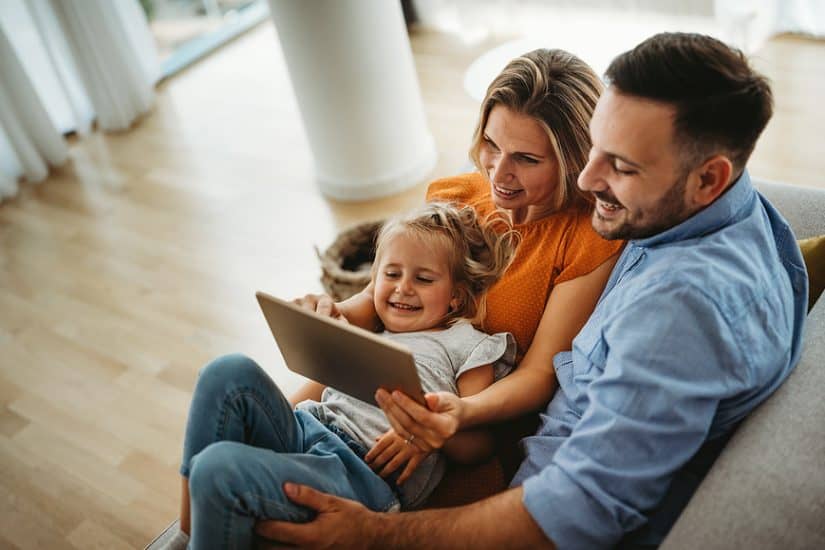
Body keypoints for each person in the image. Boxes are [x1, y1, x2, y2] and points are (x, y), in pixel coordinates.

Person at [255, 32, 808, 549]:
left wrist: (377, 534)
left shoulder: (681, 313)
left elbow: (577, 506)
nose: (588, 183)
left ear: (708, 178)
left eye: (620, 165)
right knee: (242, 423)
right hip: (414, 401)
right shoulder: (704, 206)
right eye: (595, 149)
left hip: (499, 468)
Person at [289, 48, 624, 485]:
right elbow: (380, 297)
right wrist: (332, 315)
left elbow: (539, 374)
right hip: (391, 374)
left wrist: (454, 416)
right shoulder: (457, 195)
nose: (498, 173)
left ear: (573, 160)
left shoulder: (586, 238)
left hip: (473, 417)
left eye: (526, 159)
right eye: (491, 144)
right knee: (251, 428)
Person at [163, 202, 520, 549]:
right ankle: (189, 531)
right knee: (225, 371)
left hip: (359, 474)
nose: (403, 288)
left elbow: (479, 445)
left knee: (216, 468)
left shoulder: (467, 343)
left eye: (423, 279)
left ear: (456, 298)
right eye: (391, 274)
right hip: (307, 430)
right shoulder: (373, 329)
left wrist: (430, 433)